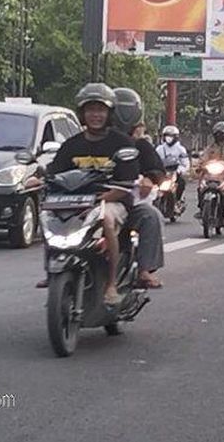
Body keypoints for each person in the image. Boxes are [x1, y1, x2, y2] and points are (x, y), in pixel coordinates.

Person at [46, 83, 139, 305]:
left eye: (100, 110)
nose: (95, 115)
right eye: (90, 110)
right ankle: (51, 273)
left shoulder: (121, 143)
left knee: (105, 219)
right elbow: (55, 172)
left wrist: (102, 198)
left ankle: (111, 285)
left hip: (111, 202)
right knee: (48, 219)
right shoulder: (71, 144)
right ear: (82, 114)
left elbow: (128, 182)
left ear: (109, 114)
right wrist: (37, 178)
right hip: (75, 203)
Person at [111, 88, 167, 290]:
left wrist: (149, 179)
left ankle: (145, 270)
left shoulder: (140, 146)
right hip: (89, 202)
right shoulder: (86, 140)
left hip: (125, 203)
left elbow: (157, 171)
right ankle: (58, 266)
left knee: (151, 215)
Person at [156, 125, 190, 201]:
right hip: (162, 173)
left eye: (171, 136)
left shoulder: (181, 149)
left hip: (175, 173)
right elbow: (155, 161)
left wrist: (179, 171)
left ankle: (178, 201)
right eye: (167, 136)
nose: (169, 138)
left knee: (181, 183)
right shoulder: (159, 149)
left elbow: (185, 164)